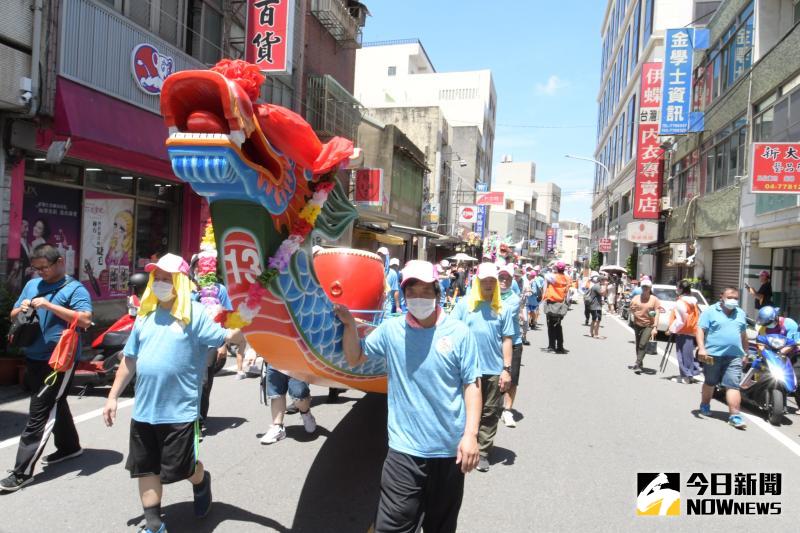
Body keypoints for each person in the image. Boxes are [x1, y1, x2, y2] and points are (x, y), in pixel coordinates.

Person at [102, 253, 246, 533]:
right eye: (158, 278)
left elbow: (227, 337)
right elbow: (129, 359)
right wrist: (113, 396)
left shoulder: (195, 315)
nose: (161, 283)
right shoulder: (145, 317)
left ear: (181, 282)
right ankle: (154, 524)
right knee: (146, 469)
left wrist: (241, 328)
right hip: (144, 411)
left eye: (168, 279)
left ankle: (201, 480)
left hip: (179, 411)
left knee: (183, 469)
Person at [335, 260, 481, 533]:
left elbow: (472, 384)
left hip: (450, 451)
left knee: (441, 526)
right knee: (392, 526)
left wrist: (471, 435)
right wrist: (348, 326)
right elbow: (355, 357)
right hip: (404, 451)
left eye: (426, 290)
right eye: (412, 291)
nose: (419, 297)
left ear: (438, 292)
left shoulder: (459, 333)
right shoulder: (392, 331)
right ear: (403, 295)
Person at [0, 244, 93, 493]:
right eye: (36, 268)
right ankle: (70, 447)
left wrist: (50, 306)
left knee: (39, 411)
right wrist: (23, 308)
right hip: (33, 356)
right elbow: (12, 315)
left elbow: (85, 319)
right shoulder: (32, 284)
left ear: (60, 262)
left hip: (59, 360)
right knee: (55, 403)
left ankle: (22, 472)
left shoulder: (74, 289)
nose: (41, 272)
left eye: (45, 267)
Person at [451, 262, 514, 472]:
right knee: (462, 409)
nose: (488, 284)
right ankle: (460, 445)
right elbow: (451, 333)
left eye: (492, 281)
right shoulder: (464, 305)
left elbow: (507, 339)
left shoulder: (501, 308)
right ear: (477, 282)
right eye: (484, 280)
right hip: (467, 369)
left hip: (493, 369)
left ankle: (483, 452)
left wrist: (506, 369)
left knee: (490, 411)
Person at [695, 287, 749, 429]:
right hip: (713, 355)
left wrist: (746, 352)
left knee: (733, 385)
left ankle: (735, 416)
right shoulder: (710, 311)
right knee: (710, 382)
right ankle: (705, 405)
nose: (733, 300)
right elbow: (700, 329)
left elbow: (743, 334)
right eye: (730, 297)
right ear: (722, 297)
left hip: (734, 356)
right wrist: (701, 348)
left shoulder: (740, 313)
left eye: (736, 298)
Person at [260, 365, 317, 444]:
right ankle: (278, 427)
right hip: (274, 359)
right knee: (276, 394)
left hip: (297, 360)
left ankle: (306, 413)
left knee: (299, 395)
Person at [498, 266, 523, 428]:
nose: (504, 281)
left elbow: (500, 314)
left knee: (511, 379)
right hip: (493, 342)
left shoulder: (514, 299)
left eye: (507, 278)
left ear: (512, 280)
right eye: (501, 278)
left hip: (513, 343)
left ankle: (507, 410)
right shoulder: (488, 295)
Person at [668, 280, 702, 384]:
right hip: (692, 330)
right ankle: (690, 374)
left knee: (682, 354)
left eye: (677, 287)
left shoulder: (681, 302)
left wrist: (672, 329)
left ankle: (686, 376)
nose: (676, 289)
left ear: (681, 289)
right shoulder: (694, 301)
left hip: (682, 331)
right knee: (688, 354)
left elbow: (681, 320)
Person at [629, 279, 661, 374]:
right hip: (637, 324)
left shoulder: (654, 299)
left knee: (643, 344)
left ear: (650, 288)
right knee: (638, 345)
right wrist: (632, 310)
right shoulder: (636, 298)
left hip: (648, 325)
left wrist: (655, 327)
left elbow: (657, 313)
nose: (645, 289)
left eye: (647, 287)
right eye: (643, 287)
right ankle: (640, 363)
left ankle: (637, 364)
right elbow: (631, 310)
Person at [542, 261, 570, 354]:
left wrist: (553, 267)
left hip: (552, 303)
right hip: (561, 304)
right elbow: (568, 294)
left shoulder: (552, 277)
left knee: (550, 325)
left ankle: (552, 346)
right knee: (558, 325)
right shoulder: (567, 278)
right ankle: (560, 346)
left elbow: (545, 275)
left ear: (557, 268)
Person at [513, 266, 531, 346]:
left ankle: (524, 337)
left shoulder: (525, 281)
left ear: (521, 275)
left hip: (522, 304)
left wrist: (527, 293)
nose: (516, 277)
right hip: (513, 304)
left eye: (517, 276)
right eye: (515, 275)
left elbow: (529, 290)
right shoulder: (512, 281)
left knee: (525, 320)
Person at [586, 275, 605, 339]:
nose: (605, 281)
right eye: (604, 280)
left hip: (596, 305)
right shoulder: (597, 286)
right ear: (600, 280)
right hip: (595, 305)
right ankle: (595, 334)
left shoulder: (597, 286)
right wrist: (606, 286)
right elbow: (602, 293)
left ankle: (592, 333)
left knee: (595, 320)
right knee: (597, 320)